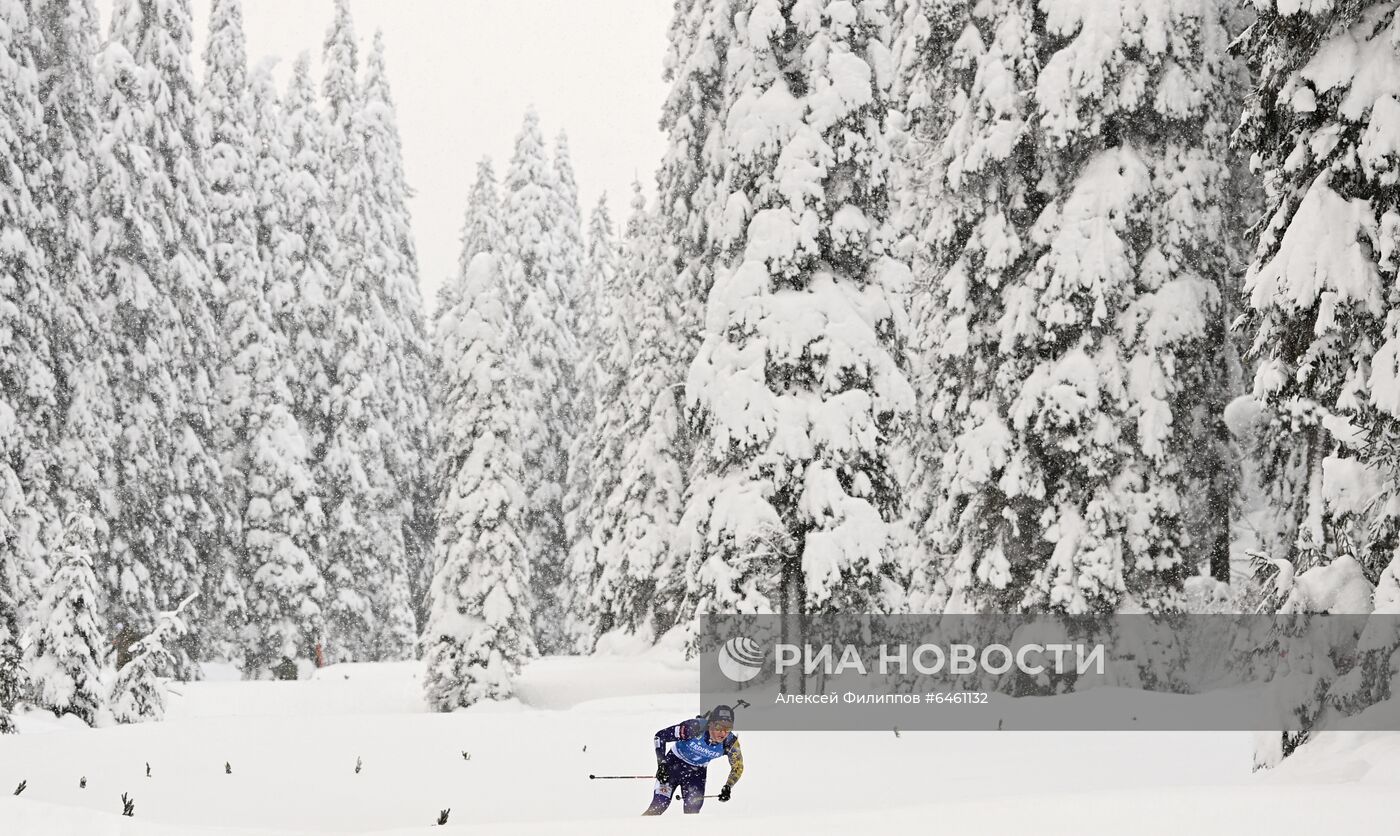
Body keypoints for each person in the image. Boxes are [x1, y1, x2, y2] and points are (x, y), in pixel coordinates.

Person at [642, 704, 744, 815]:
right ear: (710, 724)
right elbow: (660, 736)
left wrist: (728, 787)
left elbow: (738, 766)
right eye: (719, 727)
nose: (723, 733)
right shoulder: (693, 728)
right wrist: (662, 764)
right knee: (659, 806)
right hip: (672, 766)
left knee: (692, 812)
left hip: (696, 774)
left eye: (728, 728)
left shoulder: (730, 742)